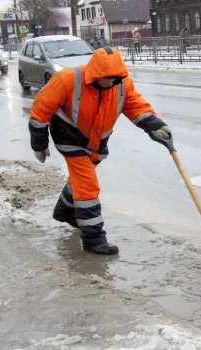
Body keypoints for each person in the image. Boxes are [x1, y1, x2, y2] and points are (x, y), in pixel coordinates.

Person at [28, 47, 171, 255]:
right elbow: (41, 109)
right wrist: (39, 144)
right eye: (106, 79)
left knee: (81, 179)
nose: (110, 83)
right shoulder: (68, 79)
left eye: (115, 79)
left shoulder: (121, 84)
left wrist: (156, 126)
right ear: (95, 73)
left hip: (97, 141)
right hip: (69, 136)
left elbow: (135, 105)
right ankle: (94, 239)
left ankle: (64, 212)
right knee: (87, 185)